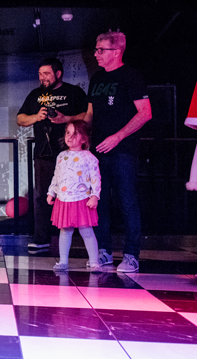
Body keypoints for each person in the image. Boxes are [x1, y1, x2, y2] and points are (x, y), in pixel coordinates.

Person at [83, 30, 151, 273]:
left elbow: (145, 113)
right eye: (96, 49)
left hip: (123, 151)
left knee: (127, 201)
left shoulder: (131, 76)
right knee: (98, 201)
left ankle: (131, 255)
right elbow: (90, 113)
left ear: (117, 51)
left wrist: (118, 136)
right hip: (97, 151)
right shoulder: (96, 78)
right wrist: (82, 137)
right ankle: (103, 251)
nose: (96, 54)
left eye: (101, 50)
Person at [17, 58, 87, 251]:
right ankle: (41, 239)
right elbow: (20, 119)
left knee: (75, 194)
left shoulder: (74, 92)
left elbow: (88, 116)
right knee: (41, 196)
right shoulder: (35, 94)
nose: (42, 78)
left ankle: (81, 238)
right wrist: (36, 117)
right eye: (40, 74)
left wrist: (66, 119)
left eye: (46, 74)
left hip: (72, 154)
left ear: (58, 73)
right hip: (43, 153)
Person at [47, 121, 101, 272]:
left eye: (75, 134)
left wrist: (95, 196)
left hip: (82, 200)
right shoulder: (61, 156)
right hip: (64, 200)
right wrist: (51, 192)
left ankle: (94, 262)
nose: (70, 137)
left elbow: (96, 178)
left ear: (84, 138)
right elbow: (56, 176)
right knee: (65, 231)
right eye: (68, 133)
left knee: (86, 231)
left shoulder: (89, 157)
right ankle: (63, 261)